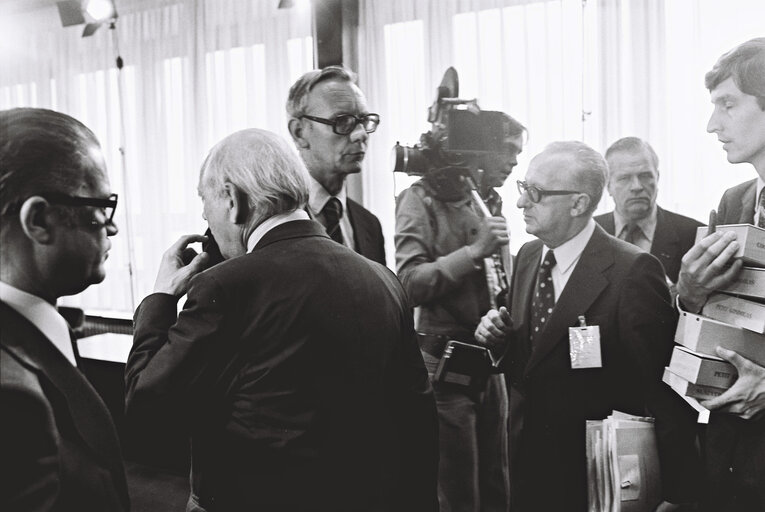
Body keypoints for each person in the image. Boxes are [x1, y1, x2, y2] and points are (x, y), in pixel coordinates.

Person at [124, 128, 439, 511]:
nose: (205, 216)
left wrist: (160, 298)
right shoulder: (382, 279)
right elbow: (418, 424)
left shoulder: (224, 286)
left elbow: (147, 411)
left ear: (232, 199)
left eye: (204, 201)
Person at [475, 141, 700, 511]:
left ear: (578, 204)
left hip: (595, 479)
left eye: (535, 193)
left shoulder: (632, 272)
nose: (520, 203)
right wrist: (499, 343)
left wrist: (677, 492)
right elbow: (532, 364)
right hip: (526, 466)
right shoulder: (529, 256)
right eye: (522, 189)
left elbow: (665, 389)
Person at [0, 108, 128, 511]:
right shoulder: (13, 398)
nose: (112, 227)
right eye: (102, 205)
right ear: (39, 220)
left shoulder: (33, 336)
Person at [395, 114, 525, 511]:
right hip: (444, 367)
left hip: (490, 361)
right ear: (478, 150)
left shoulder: (485, 198)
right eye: (508, 151)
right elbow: (408, 284)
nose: (514, 162)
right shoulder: (419, 199)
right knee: (458, 491)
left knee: (497, 482)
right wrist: (472, 252)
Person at [675, 37, 765, 511]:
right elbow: (712, 320)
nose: (713, 125)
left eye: (728, 104)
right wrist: (689, 294)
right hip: (732, 454)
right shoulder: (733, 203)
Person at [286, 65, 386, 264]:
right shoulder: (270, 216)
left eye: (364, 120)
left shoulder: (369, 225)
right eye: (342, 121)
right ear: (299, 132)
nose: (361, 134)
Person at [595, 136, 703, 283]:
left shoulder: (694, 235)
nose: (637, 186)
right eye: (624, 178)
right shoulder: (589, 232)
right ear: (608, 185)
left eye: (645, 176)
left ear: (657, 178)